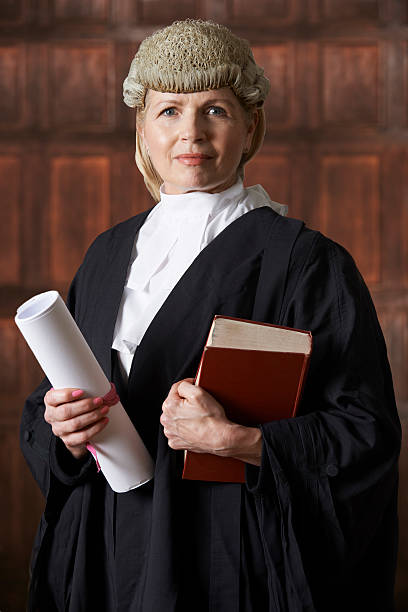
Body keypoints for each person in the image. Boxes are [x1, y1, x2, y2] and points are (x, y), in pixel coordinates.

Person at [20, 19, 401, 612]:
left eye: (215, 110)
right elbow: (54, 399)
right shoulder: (106, 253)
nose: (190, 133)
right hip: (104, 551)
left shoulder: (305, 262)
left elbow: (365, 432)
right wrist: (61, 430)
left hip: (227, 561)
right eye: (169, 111)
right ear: (142, 128)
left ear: (251, 124)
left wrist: (242, 442)